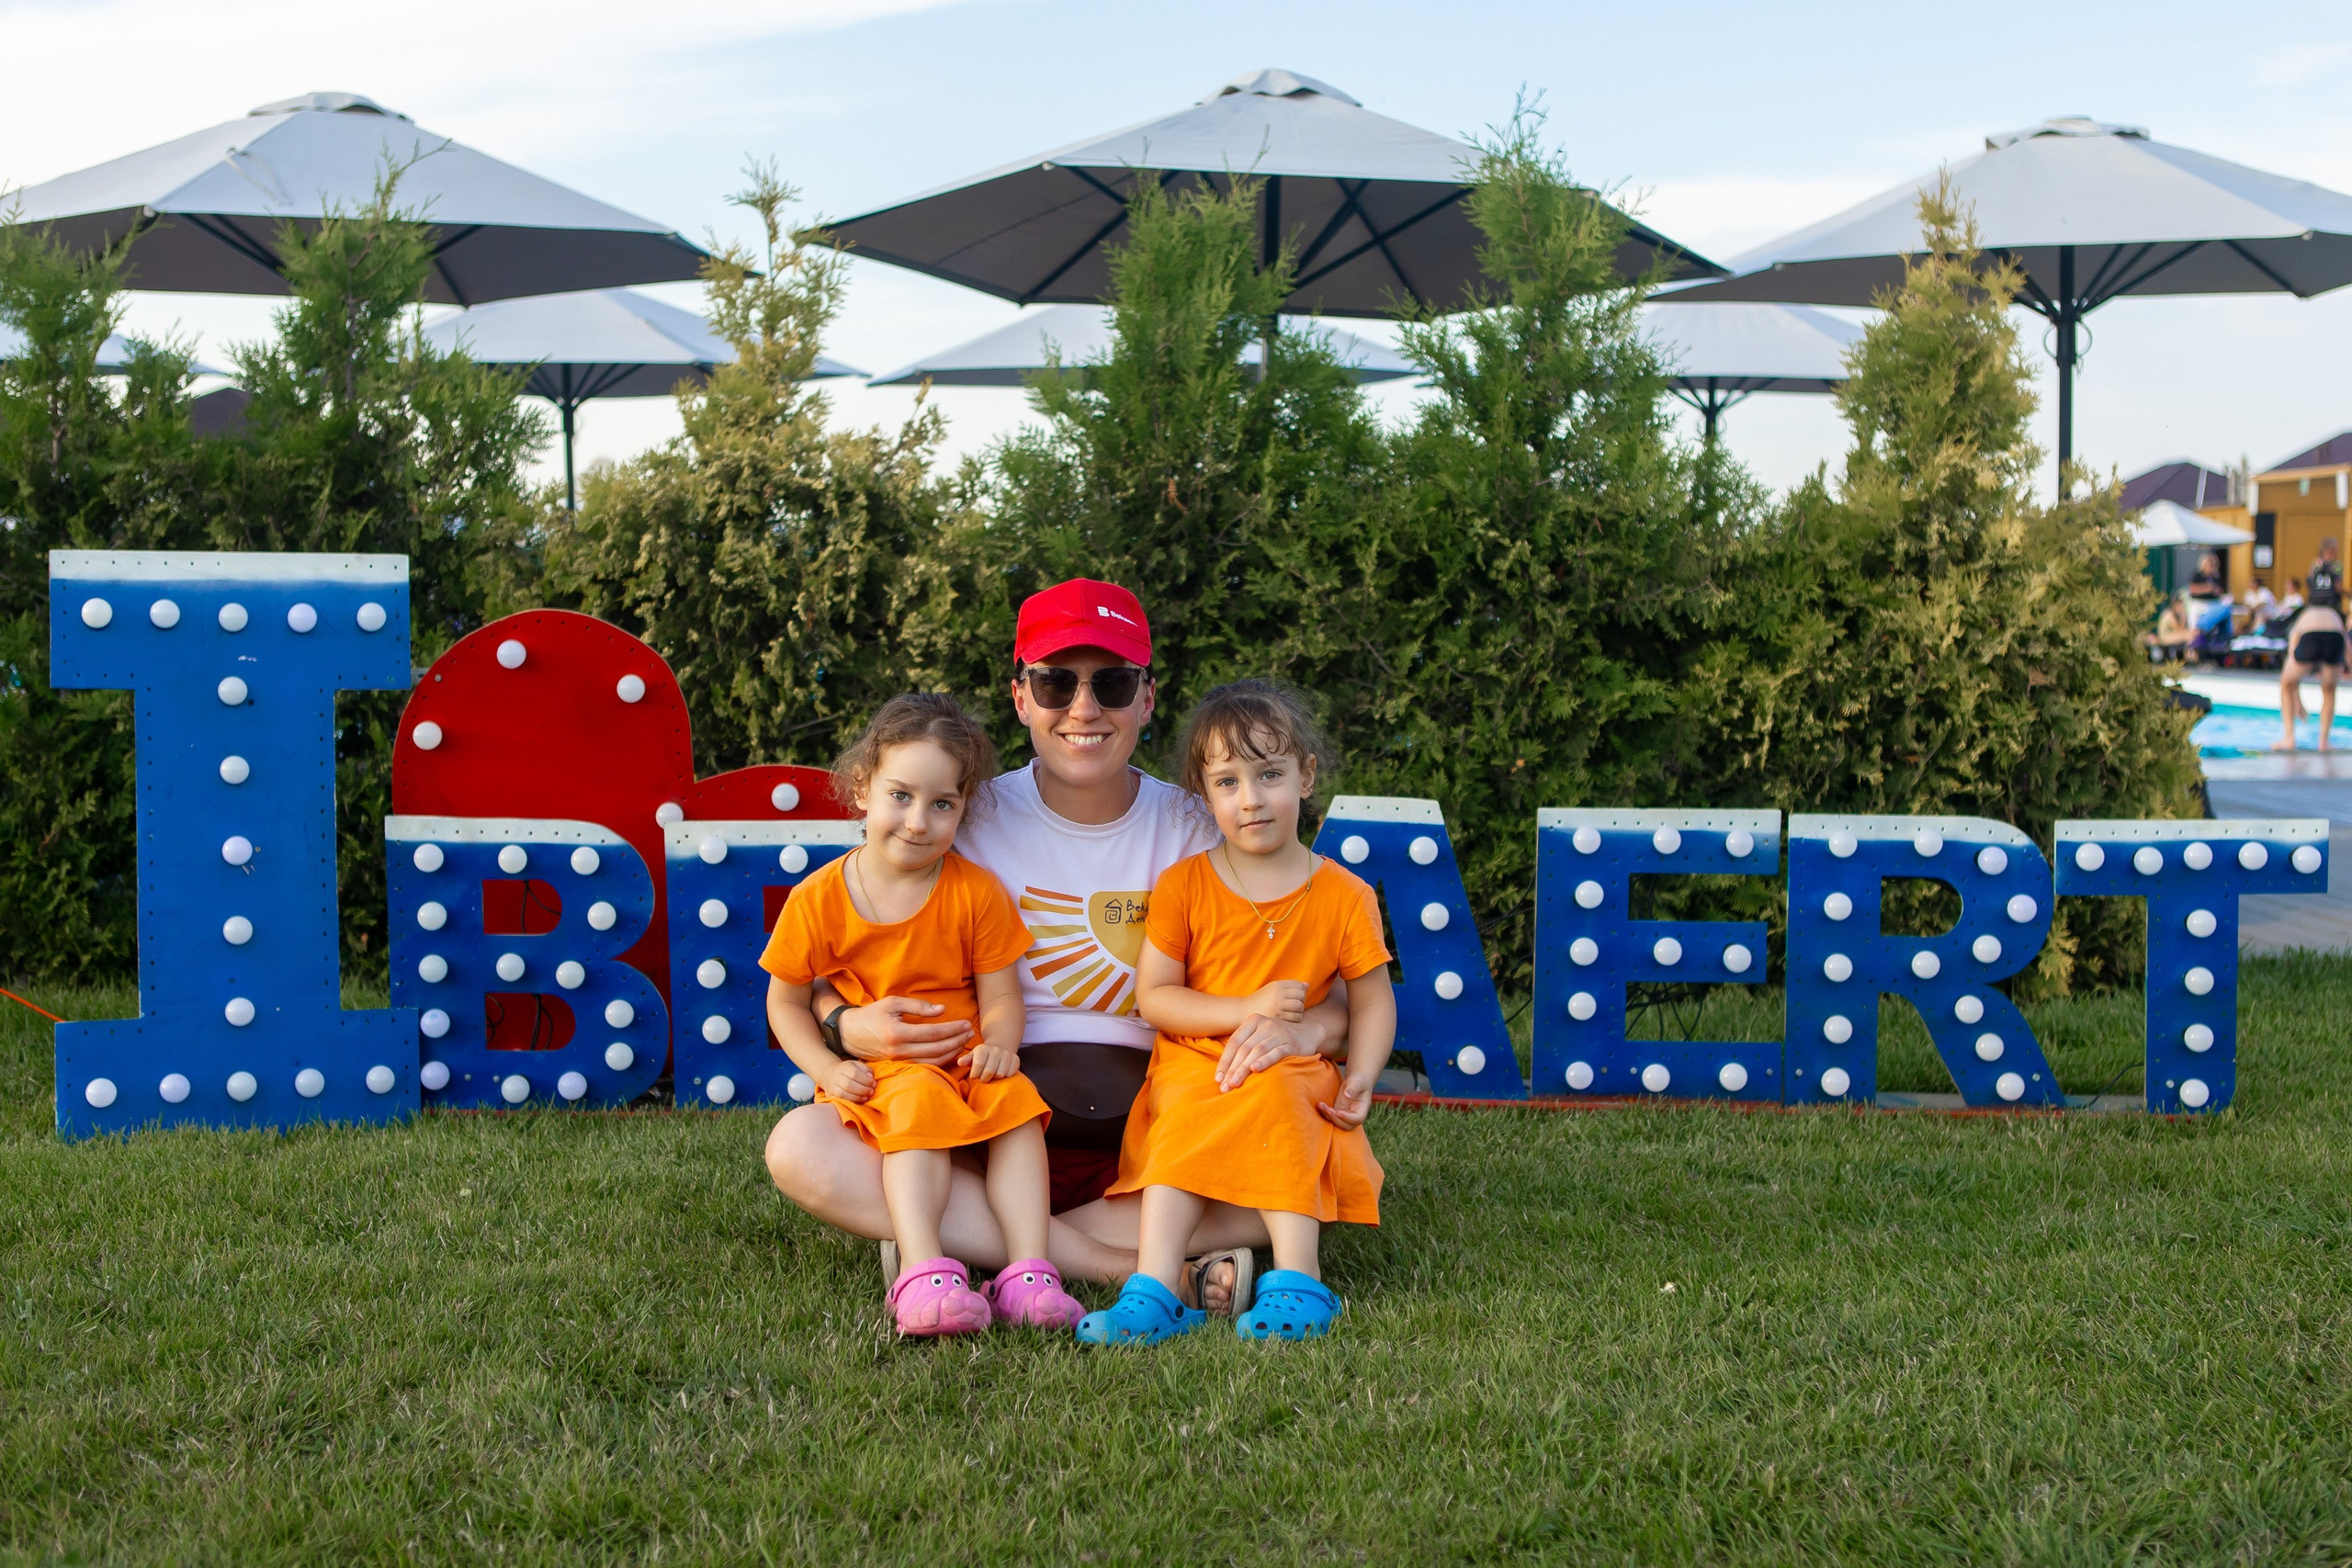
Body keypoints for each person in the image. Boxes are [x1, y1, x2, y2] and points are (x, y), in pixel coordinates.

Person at [762, 580, 1352, 1313]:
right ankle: (1136, 1272)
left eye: (1111, 682)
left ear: (1146, 697)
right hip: (982, 1122)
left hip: (1161, 1137)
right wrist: (842, 1026)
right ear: (1020, 697)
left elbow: (1330, 987)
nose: (1083, 709)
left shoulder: (1206, 822)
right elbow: (832, 955)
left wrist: (1303, 1029)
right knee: (800, 1147)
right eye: (1054, 682)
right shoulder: (962, 814)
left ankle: (963, 1241)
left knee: (1310, 1151)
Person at [1077, 681, 1396, 1346]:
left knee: (1285, 1097)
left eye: (1269, 774)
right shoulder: (1185, 884)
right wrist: (1244, 1006)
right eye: (1227, 782)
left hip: (1293, 1061)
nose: (1250, 799)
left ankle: (1299, 1281)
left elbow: (1372, 998)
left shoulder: (1344, 893)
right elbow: (1157, 997)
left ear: (1305, 777)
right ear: (1205, 794)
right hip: (1198, 1057)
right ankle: (1156, 1289)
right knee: (1186, 1116)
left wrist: (1362, 1072)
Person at [761, 694, 1083, 1337]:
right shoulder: (819, 898)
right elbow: (785, 1001)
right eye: (901, 795)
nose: (918, 821)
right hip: (889, 1070)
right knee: (918, 1110)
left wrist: (1000, 1043)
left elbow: (1001, 994)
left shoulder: (973, 890)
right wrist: (827, 1062)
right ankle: (923, 1268)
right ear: (862, 788)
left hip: (965, 1059)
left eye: (943, 804)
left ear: (963, 809)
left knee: (1017, 1109)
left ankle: (1029, 1271)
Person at [2277, 540, 2347, 752]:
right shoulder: (2336, 613)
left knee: (2286, 684)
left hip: (2310, 630)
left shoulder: (2305, 614)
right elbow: (2348, 647)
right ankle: (2323, 742)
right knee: (2329, 690)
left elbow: (2292, 651)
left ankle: (2289, 738)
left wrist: (2297, 698)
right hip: (2336, 633)